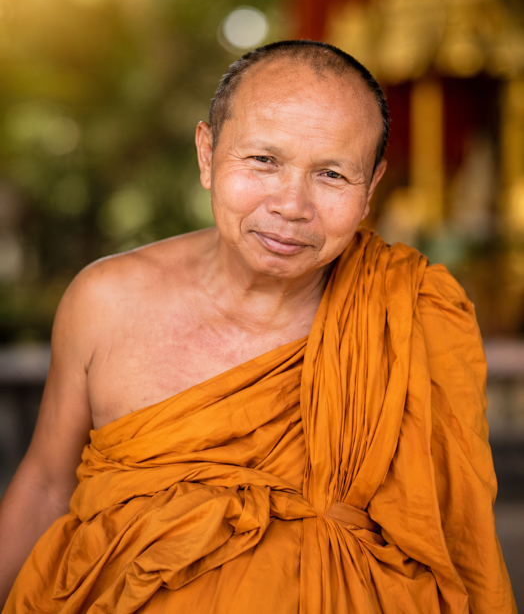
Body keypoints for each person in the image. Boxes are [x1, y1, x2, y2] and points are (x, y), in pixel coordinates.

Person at [0, 40, 516, 614]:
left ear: (370, 189)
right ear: (207, 154)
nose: (291, 205)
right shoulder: (106, 302)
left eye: (331, 174)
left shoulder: (407, 315)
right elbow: (46, 485)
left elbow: (455, 544)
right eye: (264, 161)